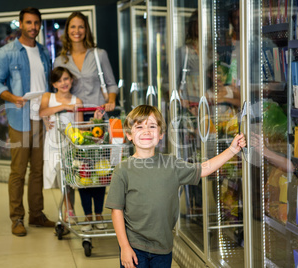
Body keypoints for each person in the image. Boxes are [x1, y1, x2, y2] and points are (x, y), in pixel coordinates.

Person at [105, 105, 246, 268]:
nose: (146, 131)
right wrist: (124, 247)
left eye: (152, 126)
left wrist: (232, 150)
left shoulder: (171, 164)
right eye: (139, 127)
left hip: (163, 247)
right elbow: (116, 211)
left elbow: (203, 169)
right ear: (129, 135)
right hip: (134, 246)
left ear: (161, 135)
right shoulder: (122, 170)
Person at [0, 7, 55, 237]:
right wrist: (12, 97)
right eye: (28, 22)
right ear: (20, 23)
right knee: (18, 171)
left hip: (41, 118)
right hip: (19, 119)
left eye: (36, 23)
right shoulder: (7, 52)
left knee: (37, 170)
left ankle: (36, 214)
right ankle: (17, 218)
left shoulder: (45, 52)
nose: (33, 27)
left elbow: (48, 85)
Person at [54, 11, 119, 231]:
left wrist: (110, 101)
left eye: (81, 27)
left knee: (99, 169)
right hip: (76, 120)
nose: (76, 31)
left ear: (86, 30)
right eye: (72, 27)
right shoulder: (60, 60)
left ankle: (99, 215)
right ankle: (88, 216)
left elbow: (111, 84)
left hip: (98, 117)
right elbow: (56, 91)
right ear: (67, 31)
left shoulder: (99, 54)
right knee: (82, 168)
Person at [39, 66, 104, 226]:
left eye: (66, 79)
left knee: (69, 175)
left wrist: (93, 121)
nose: (63, 83)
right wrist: (63, 107)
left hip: (70, 142)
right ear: (54, 84)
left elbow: (79, 126)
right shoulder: (48, 96)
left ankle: (70, 210)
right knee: (59, 175)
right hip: (54, 142)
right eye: (59, 80)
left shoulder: (77, 101)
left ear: (72, 80)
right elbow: (42, 113)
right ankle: (68, 209)